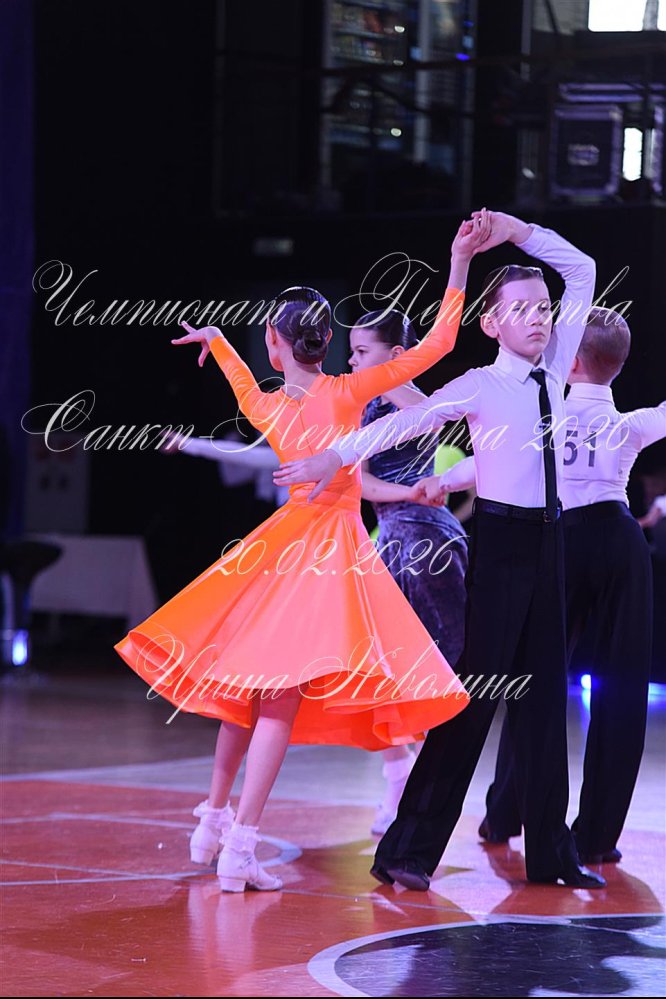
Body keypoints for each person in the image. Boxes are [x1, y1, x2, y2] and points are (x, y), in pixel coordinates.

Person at [114, 212, 491, 893]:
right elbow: (439, 342)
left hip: (281, 549)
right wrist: (458, 264)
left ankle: (219, 825)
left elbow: (243, 388)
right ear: (326, 344)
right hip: (330, 556)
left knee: (249, 689)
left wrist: (221, 344)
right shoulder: (350, 391)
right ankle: (237, 845)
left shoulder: (269, 408)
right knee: (277, 700)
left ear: (275, 343)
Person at [274, 210, 606, 889]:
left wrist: (514, 229)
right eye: (521, 309)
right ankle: (407, 850)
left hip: (553, 542)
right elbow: (404, 423)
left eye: (543, 308)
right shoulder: (479, 385)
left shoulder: (555, 364)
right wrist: (331, 457)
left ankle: (552, 855)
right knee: (472, 700)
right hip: (502, 547)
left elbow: (583, 270)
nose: (539, 319)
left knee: (546, 703)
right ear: (492, 324)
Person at [447, 307, 666, 864]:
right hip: (620, 543)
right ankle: (596, 838)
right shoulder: (631, 424)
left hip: (560, 541)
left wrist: (441, 481)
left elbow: (487, 460)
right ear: (618, 365)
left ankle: (505, 813)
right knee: (622, 692)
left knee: (534, 683)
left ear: (569, 362)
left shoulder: (542, 414)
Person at [349, 309, 469, 834]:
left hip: (430, 539)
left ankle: (431, 788)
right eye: (351, 353)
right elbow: (363, 484)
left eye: (362, 353)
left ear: (396, 355)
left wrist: (392, 377)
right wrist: (410, 491)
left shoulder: (417, 401)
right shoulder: (360, 407)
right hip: (392, 537)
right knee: (380, 667)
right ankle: (399, 777)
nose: (352, 363)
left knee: (442, 662)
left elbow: (429, 418)